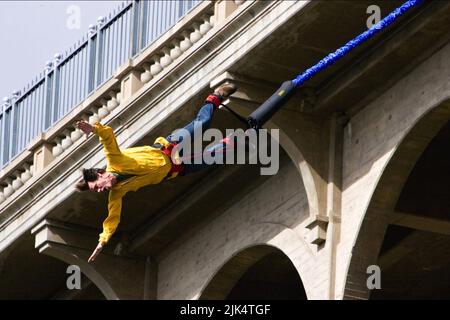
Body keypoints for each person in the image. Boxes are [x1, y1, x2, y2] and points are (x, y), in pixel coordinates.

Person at [75, 83, 238, 262]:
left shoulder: (114, 160)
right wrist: (103, 241)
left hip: (170, 147)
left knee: (202, 125)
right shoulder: (117, 192)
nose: (99, 191)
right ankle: (232, 142)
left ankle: (216, 96)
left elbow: (108, 136)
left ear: (100, 174)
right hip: (173, 169)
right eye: (96, 191)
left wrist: (93, 129)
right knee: (208, 159)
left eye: (97, 187)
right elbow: (112, 217)